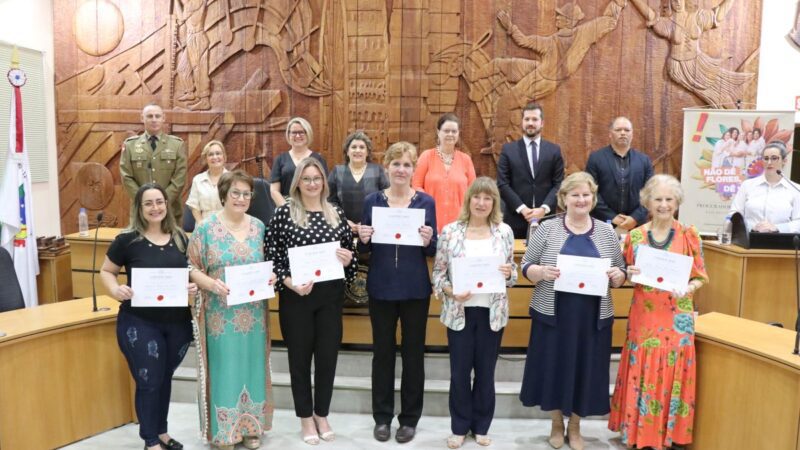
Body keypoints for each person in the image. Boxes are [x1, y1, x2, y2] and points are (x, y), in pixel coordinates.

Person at [519, 172, 626, 450]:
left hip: (591, 318)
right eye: (575, 195)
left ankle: (576, 427)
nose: (581, 199)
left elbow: (620, 270)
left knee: (585, 370)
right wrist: (540, 272)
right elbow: (526, 266)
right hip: (553, 315)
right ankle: (556, 424)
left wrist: (618, 275)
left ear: (593, 198)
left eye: (586, 194)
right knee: (553, 368)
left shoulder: (606, 231)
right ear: (563, 198)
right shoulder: (546, 228)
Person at [609, 174, 709, 450]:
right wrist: (630, 273)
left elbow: (701, 276)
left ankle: (668, 434)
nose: (664, 205)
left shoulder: (690, 235)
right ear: (647, 203)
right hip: (645, 316)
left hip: (678, 318)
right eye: (658, 199)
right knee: (643, 366)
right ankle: (639, 433)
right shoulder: (635, 236)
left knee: (673, 369)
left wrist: (688, 288)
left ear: (677, 202)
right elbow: (628, 275)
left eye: (669, 199)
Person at [265, 157, 357, 445]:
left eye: (317, 178)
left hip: (330, 299)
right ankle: (305, 418)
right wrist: (290, 283)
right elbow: (270, 257)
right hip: (297, 299)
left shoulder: (336, 213)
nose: (313, 183)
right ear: (297, 183)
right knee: (300, 361)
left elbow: (350, 269)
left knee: (328, 359)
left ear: (324, 182)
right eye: (306, 179)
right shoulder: (284, 214)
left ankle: (322, 414)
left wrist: (348, 258)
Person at [99, 183, 196, 450]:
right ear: (139, 209)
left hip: (176, 322)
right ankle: (150, 440)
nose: (155, 208)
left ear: (167, 204)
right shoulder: (127, 239)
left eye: (159, 201)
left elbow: (189, 273)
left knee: (164, 378)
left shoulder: (180, 238)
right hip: (139, 322)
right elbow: (106, 271)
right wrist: (116, 289)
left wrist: (191, 285)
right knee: (149, 380)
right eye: (149, 203)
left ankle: (162, 432)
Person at [188, 170, 275, 450]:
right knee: (226, 367)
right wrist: (212, 285)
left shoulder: (260, 227)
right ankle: (225, 430)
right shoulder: (205, 228)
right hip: (220, 315)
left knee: (253, 365)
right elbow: (190, 267)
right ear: (223, 195)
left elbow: (269, 264)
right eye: (235, 193)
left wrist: (271, 277)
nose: (241, 198)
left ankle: (252, 426)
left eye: (246, 194)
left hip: (254, 315)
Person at [358, 141, 437, 444]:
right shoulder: (372, 201)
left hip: (415, 288)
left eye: (406, 165)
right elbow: (365, 249)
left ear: (413, 169)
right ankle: (382, 417)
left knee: (414, 355)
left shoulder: (425, 203)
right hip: (381, 286)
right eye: (396, 164)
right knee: (382, 354)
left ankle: (409, 419)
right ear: (387, 167)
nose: (401, 170)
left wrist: (431, 238)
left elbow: (432, 248)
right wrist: (363, 238)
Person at [431, 177, 516, 449]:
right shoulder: (451, 232)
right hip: (460, 313)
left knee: (485, 372)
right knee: (459, 373)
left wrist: (509, 272)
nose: (481, 203)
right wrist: (450, 291)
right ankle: (459, 426)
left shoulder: (504, 232)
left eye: (487, 198)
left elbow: (512, 273)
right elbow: (438, 274)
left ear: (494, 203)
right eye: (477, 197)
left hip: (491, 313)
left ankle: (481, 426)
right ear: (468, 200)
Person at [496, 102, 565, 239]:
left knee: (545, 260)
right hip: (515, 219)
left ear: (542, 122)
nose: (530, 123)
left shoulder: (554, 150)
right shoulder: (508, 150)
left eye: (534, 119)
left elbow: (559, 184)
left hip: (546, 219)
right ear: (522, 122)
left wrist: (543, 209)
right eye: (527, 119)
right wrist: (523, 209)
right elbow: (502, 184)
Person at [121, 103, 188, 225]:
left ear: (163, 118)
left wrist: (161, 201)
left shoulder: (176, 145)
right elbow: (126, 177)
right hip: (140, 211)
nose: (154, 120)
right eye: (150, 116)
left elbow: (180, 178)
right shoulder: (130, 145)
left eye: (157, 116)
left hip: (170, 210)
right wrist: (145, 201)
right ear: (142, 118)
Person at [585, 116, 654, 232]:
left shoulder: (644, 160)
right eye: (618, 130)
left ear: (632, 134)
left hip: (636, 226)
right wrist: (612, 217)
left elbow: (651, 192)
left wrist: (635, 217)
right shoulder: (596, 158)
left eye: (627, 130)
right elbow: (591, 191)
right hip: (603, 224)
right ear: (610, 134)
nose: (623, 133)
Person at [412, 113, 476, 232]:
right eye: (446, 131)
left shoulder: (466, 159)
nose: (450, 134)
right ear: (438, 132)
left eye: (454, 131)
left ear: (458, 133)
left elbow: (473, 191)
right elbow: (416, 186)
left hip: (460, 223)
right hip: (429, 222)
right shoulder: (427, 156)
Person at [729, 141, 800, 233]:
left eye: (774, 158)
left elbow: (798, 222)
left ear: (784, 160)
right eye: (766, 158)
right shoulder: (747, 185)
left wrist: (776, 228)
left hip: (781, 242)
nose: (769, 162)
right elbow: (734, 214)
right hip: (749, 240)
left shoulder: (795, 189)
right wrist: (753, 227)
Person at [327, 130, 390, 234]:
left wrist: (369, 222)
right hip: (342, 228)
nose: (357, 150)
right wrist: (344, 221)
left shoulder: (377, 171)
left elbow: (386, 200)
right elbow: (329, 201)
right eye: (353, 147)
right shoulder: (337, 171)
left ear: (367, 152)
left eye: (362, 147)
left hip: (372, 229)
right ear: (347, 151)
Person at [269, 117, 328, 207]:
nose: (297, 136)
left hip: (312, 207)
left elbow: (324, 188)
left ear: (308, 133)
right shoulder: (280, 159)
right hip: (286, 206)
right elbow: (274, 190)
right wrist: (286, 209)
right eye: (294, 132)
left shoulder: (318, 159)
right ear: (288, 135)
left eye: (301, 132)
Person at [186, 140, 228, 224]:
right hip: (203, 224)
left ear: (224, 156)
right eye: (211, 154)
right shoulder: (197, 180)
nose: (215, 157)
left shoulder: (233, 179)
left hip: (227, 223)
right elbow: (195, 207)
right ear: (206, 159)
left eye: (218, 153)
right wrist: (201, 225)